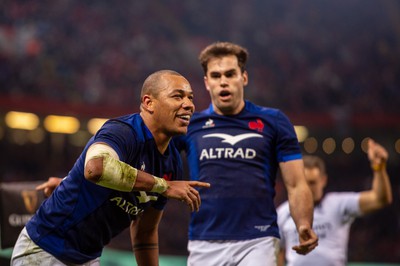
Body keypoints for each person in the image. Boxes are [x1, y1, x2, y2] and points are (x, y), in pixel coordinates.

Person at [11, 70, 211, 266]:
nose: (189, 105)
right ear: (149, 103)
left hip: (88, 258)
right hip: (45, 249)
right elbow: (96, 169)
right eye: (178, 96)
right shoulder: (123, 131)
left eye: (190, 98)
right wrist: (164, 186)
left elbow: (145, 233)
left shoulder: (172, 163)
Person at [172, 41, 318, 266]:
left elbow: (297, 183)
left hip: (258, 240)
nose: (223, 82)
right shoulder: (190, 124)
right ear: (207, 82)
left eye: (230, 74)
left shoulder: (274, 121)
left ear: (244, 77)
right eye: (216, 75)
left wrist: (303, 224)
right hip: (204, 240)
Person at [277, 138, 393, 266]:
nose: (307, 188)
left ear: (323, 180)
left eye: (313, 182)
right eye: (304, 182)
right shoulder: (283, 212)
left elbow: (380, 199)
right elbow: (278, 251)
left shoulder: (338, 204)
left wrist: (379, 168)